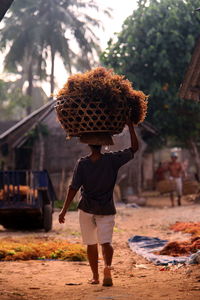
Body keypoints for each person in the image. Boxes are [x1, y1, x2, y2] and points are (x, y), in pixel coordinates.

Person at [58, 121, 138, 286]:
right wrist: (130, 127)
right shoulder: (112, 160)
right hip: (106, 208)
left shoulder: (82, 163)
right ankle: (107, 268)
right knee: (106, 242)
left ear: (88, 145)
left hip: (86, 208)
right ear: (103, 145)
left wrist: (63, 210)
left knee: (91, 243)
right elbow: (134, 149)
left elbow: (73, 188)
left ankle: (95, 277)